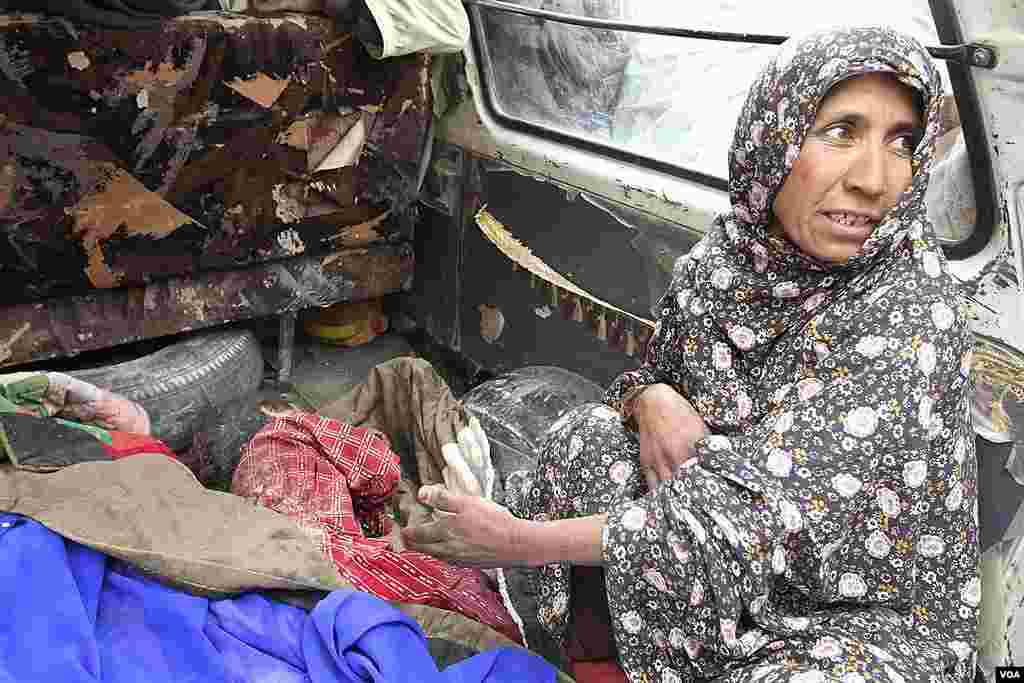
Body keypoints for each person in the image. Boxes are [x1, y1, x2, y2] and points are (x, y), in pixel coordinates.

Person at [404, 25, 978, 683]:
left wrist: (512, 542)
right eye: (841, 131)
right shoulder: (729, 262)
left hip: (849, 615)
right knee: (584, 443)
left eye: (902, 142)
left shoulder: (911, 306)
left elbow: (749, 520)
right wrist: (653, 397)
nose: (875, 180)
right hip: (710, 557)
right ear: (775, 137)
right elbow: (648, 374)